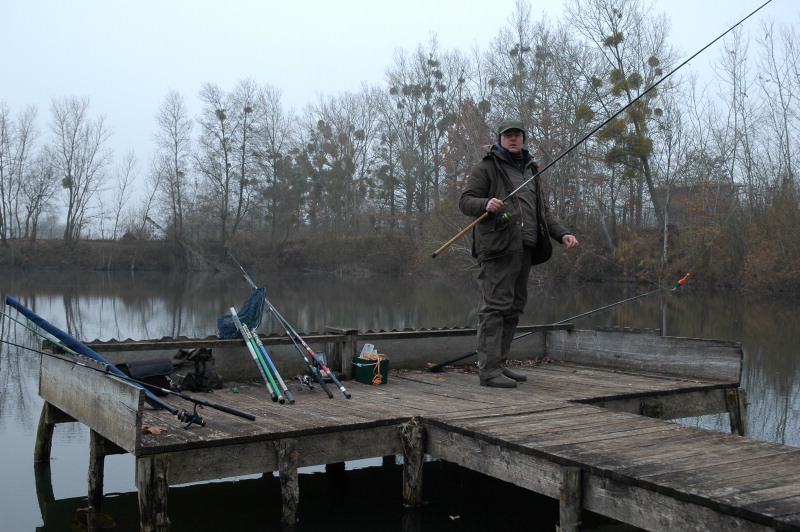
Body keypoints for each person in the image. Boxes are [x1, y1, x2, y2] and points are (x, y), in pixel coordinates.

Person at [459, 119, 579, 388]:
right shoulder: (486, 167)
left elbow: (543, 212)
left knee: (514, 308)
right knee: (494, 308)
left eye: (517, 135)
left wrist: (562, 234)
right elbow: (465, 201)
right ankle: (488, 371)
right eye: (508, 135)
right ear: (500, 139)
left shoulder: (531, 170)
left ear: (523, 139)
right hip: (498, 248)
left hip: (526, 248)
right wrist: (485, 203)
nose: (513, 139)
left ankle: (499, 364)